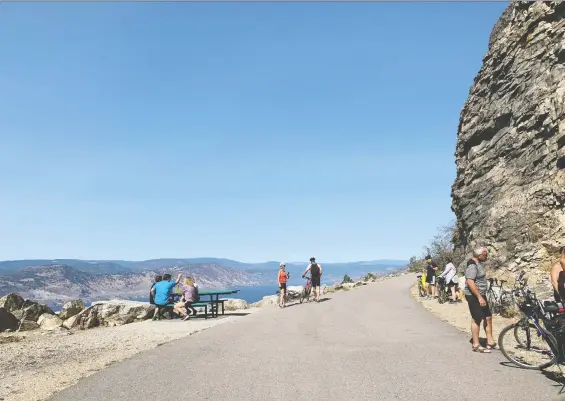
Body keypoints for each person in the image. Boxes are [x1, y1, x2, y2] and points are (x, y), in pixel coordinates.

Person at [465, 247, 495, 353]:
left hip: (481, 295)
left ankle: (490, 342)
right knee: (476, 318)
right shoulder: (472, 265)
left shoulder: (478, 264)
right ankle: (476, 345)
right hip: (474, 296)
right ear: (479, 255)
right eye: (485, 254)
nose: (486, 256)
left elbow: (477, 278)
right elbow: (470, 281)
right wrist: (479, 297)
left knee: (488, 317)